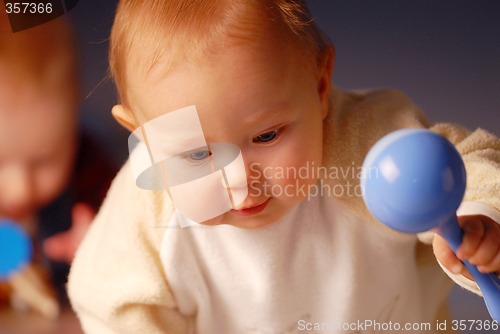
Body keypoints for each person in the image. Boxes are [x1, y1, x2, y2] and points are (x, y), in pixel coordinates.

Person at [68, 0, 500, 333]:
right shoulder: (148, 207)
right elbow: (109, 296)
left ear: (319, 85)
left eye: (266, 136)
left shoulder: (368, 142)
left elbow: (465, 164)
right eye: (197, 155)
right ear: (143, 134)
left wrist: (480, 217)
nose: (241, 184)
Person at [0, 14, 116, 316]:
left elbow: (134, 239)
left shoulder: (90, 171)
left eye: (44, 160)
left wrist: (101, 247)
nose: (20, 188)